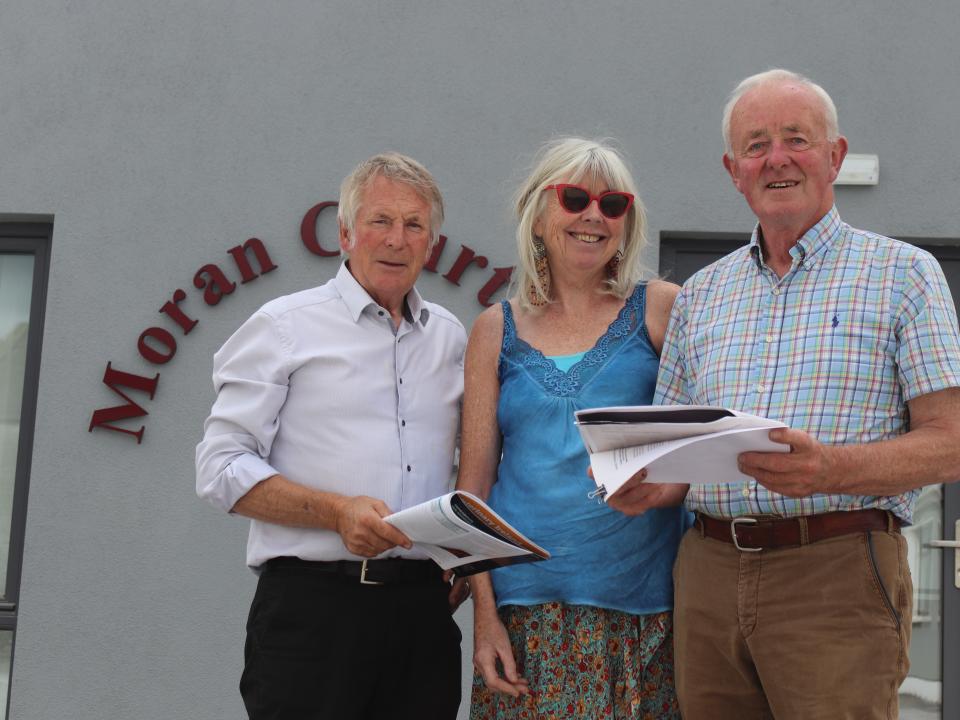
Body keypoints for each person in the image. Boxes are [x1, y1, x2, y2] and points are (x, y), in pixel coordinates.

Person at [610, 68, 960, 719]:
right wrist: (650, 485)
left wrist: (831, 467)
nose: (776, 158)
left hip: (837, 568)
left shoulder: (905, 274)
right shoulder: (704, 294)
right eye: (756, 144)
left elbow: (951, 442)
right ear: (733, 169)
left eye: (796, 139)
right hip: (708, 573)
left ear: (835, 156)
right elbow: (676, 450)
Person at [195, 152, 468, 720]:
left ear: (432, 243)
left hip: (422, 616)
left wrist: (463, 556)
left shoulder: (450, 338)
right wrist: (335, 512)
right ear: (345, 232)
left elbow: (469, 462)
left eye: (414, 224)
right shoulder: (284, 327)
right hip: (312, 612)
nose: (397, 238)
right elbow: (219, 469)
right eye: (380, 221)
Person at [457, 137, 686, 719]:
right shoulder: (494, 330)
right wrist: (485, 616)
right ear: (537, 215)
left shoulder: (662, 309)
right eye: (575, 197)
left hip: (646, 612)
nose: (594, 216)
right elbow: (472, 492)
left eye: (613, 204)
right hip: (524, 617)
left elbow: (706, 441)